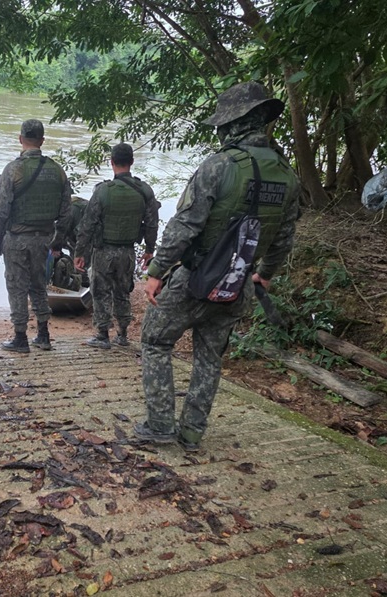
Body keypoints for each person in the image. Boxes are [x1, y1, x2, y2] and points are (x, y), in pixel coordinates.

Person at [135, 81, 302, 451]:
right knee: (210, 356)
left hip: (195, 279)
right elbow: (284, 236)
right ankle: (192, 432)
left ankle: (160, 425)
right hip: (238, 284)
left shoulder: (219, 166)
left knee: (155, 341)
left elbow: (185, 226)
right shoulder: (289, 177)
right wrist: (266, 273)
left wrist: (157, 272)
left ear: (234, 124)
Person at [0, 119, 71, 353]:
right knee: (39, 285)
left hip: (16, 240)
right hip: (44, 239)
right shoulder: (57, 171)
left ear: (20, 139)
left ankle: (20, 337)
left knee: (16, 287)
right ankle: (43, 335)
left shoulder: (13, 169)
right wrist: (58, 240)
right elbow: (66, 213)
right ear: (42, 141)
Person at [74, 143, 159, 349]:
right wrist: (149, 250)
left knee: (100, 291)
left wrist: (80, 253)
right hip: (128, 251)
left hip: (104, 251)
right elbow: (152, 223)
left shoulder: (103, 191)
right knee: (122, 291)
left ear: (111, 162)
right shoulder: (144, 190)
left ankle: (103, 335)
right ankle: (122, 334)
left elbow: (87, 224)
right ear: (131, 162)